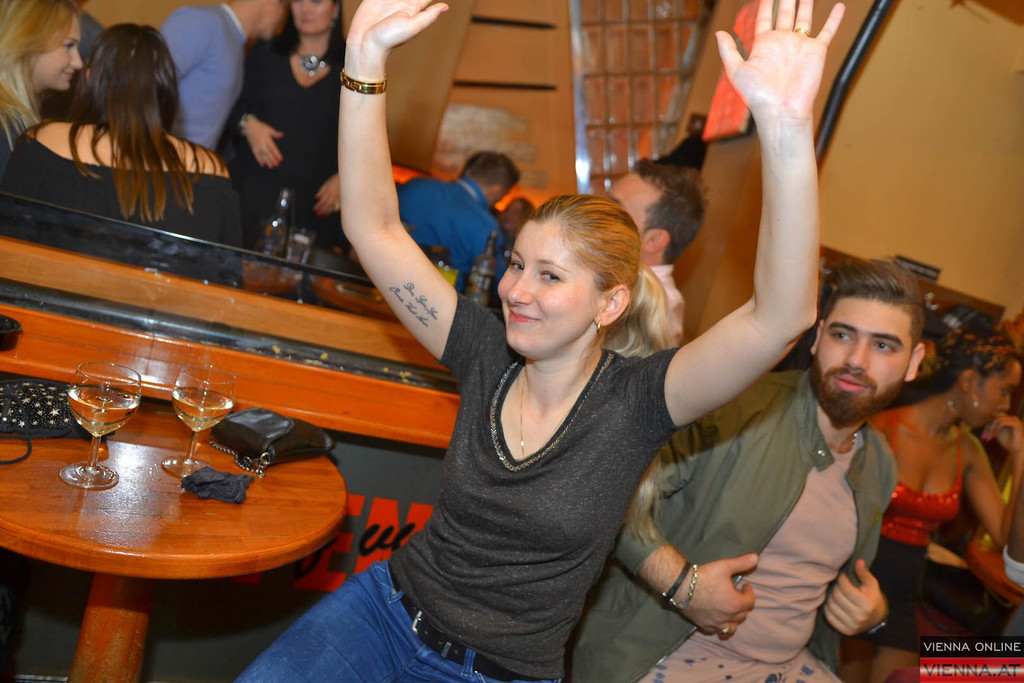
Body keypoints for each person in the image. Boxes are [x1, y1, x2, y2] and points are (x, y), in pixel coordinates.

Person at [237, 0, 841, 680]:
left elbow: (780, 317)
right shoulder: (484, 350)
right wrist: (364, 60)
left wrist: (786, 129)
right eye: (518, 264)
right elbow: (373, 226)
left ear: (611, 303)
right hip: (384, 616)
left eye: (549, 276)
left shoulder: (639, 401)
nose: (516, 290)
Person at [572, 258, 927, 683]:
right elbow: (606, 487)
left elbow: (837, 582)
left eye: (884, 346)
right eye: (842, 335)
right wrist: (685, 586)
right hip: (666, 655)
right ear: (817, 339)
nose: (856, 359)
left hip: (793, 666)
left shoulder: (879, 462)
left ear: (914, 362)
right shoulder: (734, 406)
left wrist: (873, 614)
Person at [840, 326, 1024, 682]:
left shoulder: (967, 449)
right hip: (854, 588)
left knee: (907, 678)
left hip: (903, 600)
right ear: (969, 382)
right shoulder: (882, 429)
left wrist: (1020, 457)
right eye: (1005, 390)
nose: (1006, 406)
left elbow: (1006, 537)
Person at [0, 25, 243, 245]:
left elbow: (8, 242)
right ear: (167, 89)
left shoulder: (45, 140)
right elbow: (226, 270)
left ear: (89, 79)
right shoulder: (210, 168)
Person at [225, 0, 345, 249]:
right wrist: (248, 124)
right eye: (298, 0)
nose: (305, 9)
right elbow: (228, 106)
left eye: (316, 1)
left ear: (335, 9)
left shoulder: (354, 65)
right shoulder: (266, 51)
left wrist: (345, 178)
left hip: (314, 205)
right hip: (253, 189)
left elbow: (368, 138)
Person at [160, 0, 288, 150]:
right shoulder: (202, 22)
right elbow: (144, 86)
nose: (282, 19)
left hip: (189, 162)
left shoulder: (235, 42)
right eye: (285, 6)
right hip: (165, 161)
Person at [608, 159, 704, 344]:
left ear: (654, 241)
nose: (597, 215)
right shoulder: (618, 278)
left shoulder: (657, 309)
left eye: (616, 211)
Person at [399, 150, 520, 290]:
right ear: (499, 190)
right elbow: (501, 282)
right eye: (503, 195)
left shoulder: (415, 186)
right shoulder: (486, 226)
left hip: (384, 282)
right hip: (434, 296)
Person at [0, 0, 82, 178]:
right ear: (28, 40)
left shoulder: (14, 120)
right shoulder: (7, 127)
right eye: (68, 46)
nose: (78, 62)